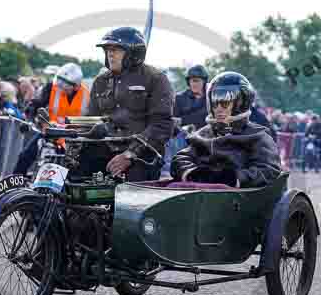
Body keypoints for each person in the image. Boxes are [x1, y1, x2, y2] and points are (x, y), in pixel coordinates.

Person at [87, 27, 173, 181]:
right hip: (105, 151)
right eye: (107, 49)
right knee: (71, 175)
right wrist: (65, 132)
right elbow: (91, 121)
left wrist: (129, 154)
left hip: (142, 155)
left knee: (130, 196)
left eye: (116, 49)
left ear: (133, 53)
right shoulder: (100, 82)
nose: (110, 54)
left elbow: (161, 126)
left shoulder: (155, 79)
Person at [170, 72, 282, 188]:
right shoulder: (204, 134)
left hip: (238, 199)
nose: (218, 109)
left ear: (240, 104)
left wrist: (234, 178)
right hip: (199, 195)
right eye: (215, 103)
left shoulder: (258, 136)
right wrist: (192, 173)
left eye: (224, 103)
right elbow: (180, 159)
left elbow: (268, 169)